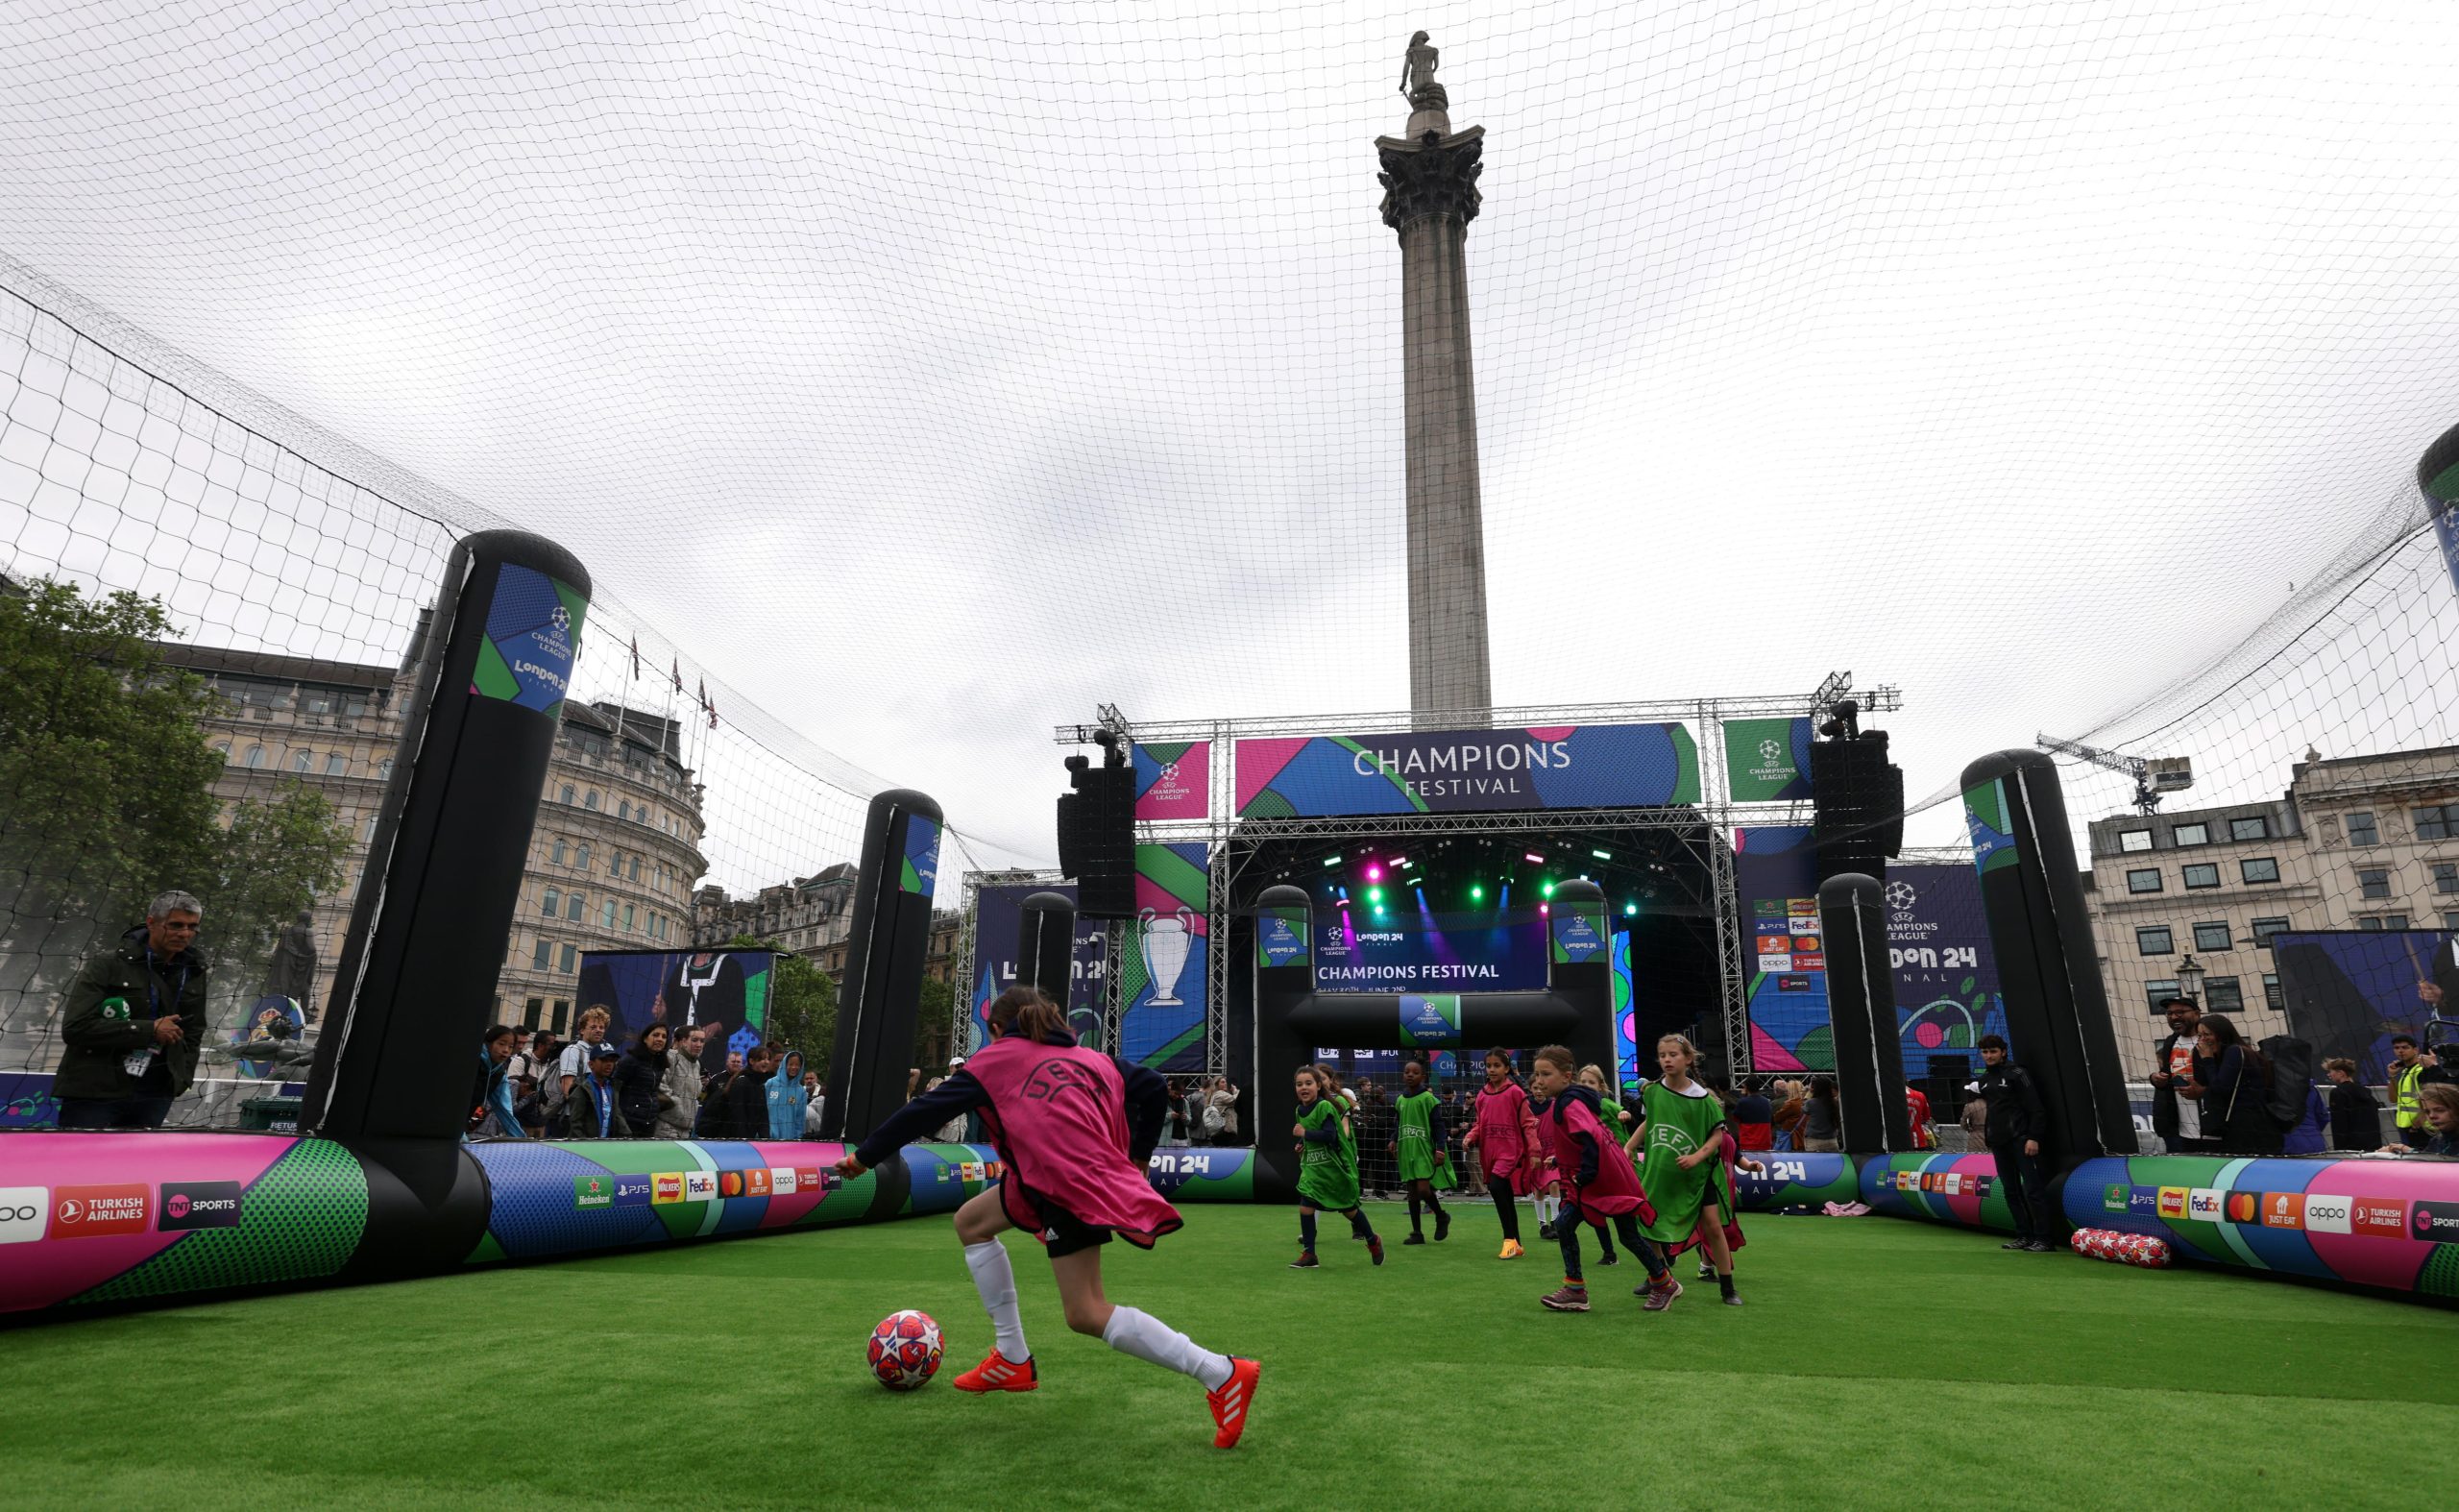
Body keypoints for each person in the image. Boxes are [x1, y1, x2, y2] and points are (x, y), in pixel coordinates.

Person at [835, 987, 1259, 1448]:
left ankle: (1220, 1372)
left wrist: (864, 1157)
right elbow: (1154, 1087)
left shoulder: (995, 1062)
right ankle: (1012, 1357)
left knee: (1086, 1312)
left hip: (1065, 1188)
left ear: (998, 1030)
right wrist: (1139, 1156)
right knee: (972, 1223)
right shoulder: (1093, 1058)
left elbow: (922, 1111)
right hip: (1050, 1181)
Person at [1529, 1046, 1675, 1312]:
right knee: (1627, 1236)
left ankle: (1576, 1290)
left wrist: (1584, 1176)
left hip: (1602, 1180)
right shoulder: (1573, 1100)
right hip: (1610, 1175)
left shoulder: (1567, 1102)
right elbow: (1584, 1138)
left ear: (1566, 1075)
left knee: (1565, 1224)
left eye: (1545, 1074)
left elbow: (1590, 1139)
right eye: (1537, 1074)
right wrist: (1564, 1161)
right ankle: (1662, 1281)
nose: (1539, 1080)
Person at [53, 890, 210, 1129]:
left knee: (135, 1167)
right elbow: (75, 1027)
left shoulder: (194, 972)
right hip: (95, 1091)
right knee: (79, 1164)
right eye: (176, 925)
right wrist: (149, 1030)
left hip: (155, 1093)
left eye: (192, 927)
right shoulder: (108, 965)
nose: (185, 933)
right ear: (151, 923)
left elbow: (194, 1030)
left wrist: (180, 1077)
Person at [1624, 1035, 1738, 1307]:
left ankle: (1728, 1287)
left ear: (1688, 1059)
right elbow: (1650, 1122)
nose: (1666, 1059)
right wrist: (1628, 1147)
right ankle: (1660, 1277)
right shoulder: (1652, 1091)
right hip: (1660, 1172)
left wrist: (1697, 1157)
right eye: (1662, 1055)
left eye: (1673, 1054)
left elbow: (1718, 1136)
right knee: (1650, 1225)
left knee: (1712, 1226)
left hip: (1697, 1176)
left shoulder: (1703, 1099)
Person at [1289, 1063, 1381, 1268]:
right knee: (1305, 1207)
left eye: (1308, 1083)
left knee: (1349, 1209)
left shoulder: (1325, 1107)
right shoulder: (1299, 1110)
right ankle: (1310, 1254)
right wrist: (1301, 1144)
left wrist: (1305, 1134)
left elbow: (1330, 1136)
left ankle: (1372, 1239)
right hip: (1313, 1169)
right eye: (1299, 1084)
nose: (1303, 1087)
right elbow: (1308, 1134)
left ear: (1319, 1086)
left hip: (1333, 1168)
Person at [1975, 1035, 2055, 1253]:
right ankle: (2023, 1235)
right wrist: (1990, 1139)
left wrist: (2033, 1137)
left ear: (2003, 1052)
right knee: (2010, 1191)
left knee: (2033, 1190)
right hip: (1999, 1143)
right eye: (1985, 1052)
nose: (1988, 1056)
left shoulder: (2018, 1073)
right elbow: (1994, 1112)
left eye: (1993, 1051)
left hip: (2021, 1140)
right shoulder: (1983, 1080)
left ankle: (2044, 1239)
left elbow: (2036, 1108)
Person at [1465, 1049, 1541, 1259]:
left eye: (1497, 1065)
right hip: (1490, 1151)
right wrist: (1470, 1136)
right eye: (1489, 1065)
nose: (1492, 1069)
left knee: (1497, 1186)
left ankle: (1508, 1240)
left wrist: (1534, 1152)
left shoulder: (1515, 1092)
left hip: (1510, 1150)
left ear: (1507, 1068)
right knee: (1503, 1193)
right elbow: (1480, 1124)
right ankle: (1516, 1243)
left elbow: (1528, 1123)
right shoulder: (1482, 1094)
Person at [2184, 1013, 2281, 1157]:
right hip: (2242, 1123)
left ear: (2221, 1034)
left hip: (2248, 1126)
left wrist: (2208, 1059)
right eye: (2199, 1036)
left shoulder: (2234, 1051)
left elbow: (2220, 1088)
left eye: (2207, 1034)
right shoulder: (2228, 1054)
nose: (2203, 1040)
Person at [1390, 1059, 1452, 1245]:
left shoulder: (1428, 1099)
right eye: (1407, 1071)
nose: (1410, 1074)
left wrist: (1440, 1149)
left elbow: (1439, 1127)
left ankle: (1441, 1216)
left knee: (1424, 1189)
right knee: (1412, 1191)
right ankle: (1417, 1233)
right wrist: (1393, 1139)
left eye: (1415, 1072)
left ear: (1423, 1077)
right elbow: (1398, 1123)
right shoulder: (1400, 1100)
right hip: (1407, 1149)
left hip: (1424, 1149)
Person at [2149, 995, 2209, 1155]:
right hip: (2177, 1130)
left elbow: (2228, 1080)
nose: (2174, 1017)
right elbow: (2167, 1078)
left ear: (2197, 1014)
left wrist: (2203, 1092)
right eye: (2169, 1014)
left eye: (2180, 1012)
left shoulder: (2210, 1040)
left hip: (2211, 1129)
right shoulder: (2170, 1042)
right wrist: (2156, 1079)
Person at [553, 1006, 615, 1134]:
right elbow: (567, 1089)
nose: (598, 1030)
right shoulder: (572, 1051)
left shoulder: (608, 1050)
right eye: (593, 1027)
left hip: (602, 1118)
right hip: (575, 1118)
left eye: (601, 1027)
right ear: (582, 1030)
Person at [470, 1023, 524, 1138]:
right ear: (488, 1043)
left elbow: (505, 1111)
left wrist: (521, 1139)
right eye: (501, 1044)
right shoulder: (471, 1061)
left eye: (510, 1046)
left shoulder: (498, 1073)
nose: (506, 1050)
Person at [566, 1042, 631, 1139]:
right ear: (591, 1064)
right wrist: (586, 1146)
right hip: (586, 1148)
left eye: (612, 1061)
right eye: (604, 1060)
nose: (609, 1064)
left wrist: (627, 1135)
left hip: (606, 1146)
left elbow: (617, 1115)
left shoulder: (612, 1087)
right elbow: (576, 1124)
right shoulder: (581, 1089)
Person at [616, 1025, 671, 1135]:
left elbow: (653, 1092)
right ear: (645, 1039)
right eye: (655, 1035)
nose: (660, 1039)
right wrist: (621, 1122)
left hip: (649, 1123)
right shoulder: (630, 1060)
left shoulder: (661, 1063)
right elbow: (615, 1091)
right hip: (629, 1123)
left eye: (664, 1036)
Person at [2376, 1083, 2459, 1157]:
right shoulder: (2437, 1140)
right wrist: (2409, 1151)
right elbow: (2429, 1161)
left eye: (2440, 1110)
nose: (2431, 1116)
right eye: (2427, 1111)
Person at [658, 1027, 706, 1140]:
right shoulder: (671, 1056)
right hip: (666, 1127)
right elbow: (659, 1085)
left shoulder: (697, 1064)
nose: (699, 1044)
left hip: (686, 1130)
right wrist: (676, 1104)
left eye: (702, 1041)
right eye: (694, 1040)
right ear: (683, 1041)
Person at [2323, 1058, 2381, 1151]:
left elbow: (2339, 1126)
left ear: (2341, 1073)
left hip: (2350, 1150)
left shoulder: (2337, 1093)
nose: (2329, 1075)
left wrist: (2340, 1151)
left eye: (2331, 1071)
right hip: (2373, 1146)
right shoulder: (2367, 1092)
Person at [2389, 1035, 2431, 1149]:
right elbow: (2393, 1099)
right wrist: (2392, 1077)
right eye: (2396, 1048)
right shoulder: (2404, 1072)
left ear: (2415, 1050)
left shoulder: (2421, 1070)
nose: (2400, 1051)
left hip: (2423, 1128)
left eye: (2405, 1047)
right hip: (2405, 1127)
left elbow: (2432, 1099)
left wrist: (2418, 1123)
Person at [765, 1049, 810, 1140]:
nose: (794, 1067)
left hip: (788, 1140)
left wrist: (797, 1138)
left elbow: (800, 1119)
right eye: (791, 1064)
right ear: (785, 1065)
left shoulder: (801, 1091)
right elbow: (762, 1110)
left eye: (797, 1065)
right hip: (768, 1137)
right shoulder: (771, 1083)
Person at [1798, 1077, 1841, 1153]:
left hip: (1814, 1140)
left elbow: (1803, 1109)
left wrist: (1809, 1093)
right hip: (1832, 1139)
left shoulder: (1811, 1103)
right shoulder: (1835, 1103)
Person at [1732, 1079, 1775, 1151]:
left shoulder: (1743, 1102)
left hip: (1748, 1142)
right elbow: (1772, 1120)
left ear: (1746, 1088)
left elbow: (1735, 1118)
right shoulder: (1766, 1102)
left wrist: (1742, 1096)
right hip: (1765, 1141)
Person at [1906, 1083, 1936, 1151]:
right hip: (1919, 1140)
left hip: (1898, 1142)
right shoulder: (1920, 1095)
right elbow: (1927, 1116)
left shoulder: (1890, 1096)